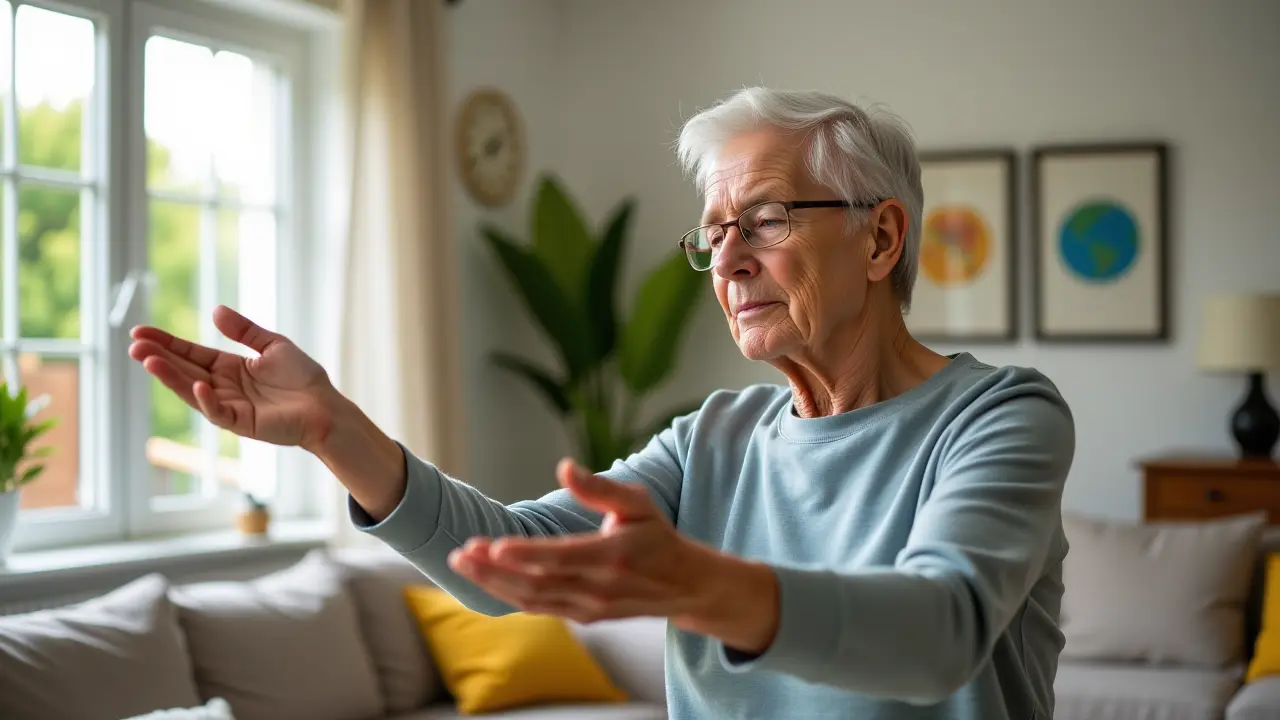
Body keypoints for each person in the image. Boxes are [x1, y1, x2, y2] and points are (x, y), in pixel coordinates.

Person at [130, 87, 1075, 720]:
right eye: (714, 234)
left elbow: (939, 629)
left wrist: (697, 583)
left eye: (769, 219)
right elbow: (501, 565)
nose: (732, 259)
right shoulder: (716, 437)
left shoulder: (997, 418)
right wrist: (336, 432)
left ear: (880, 241)